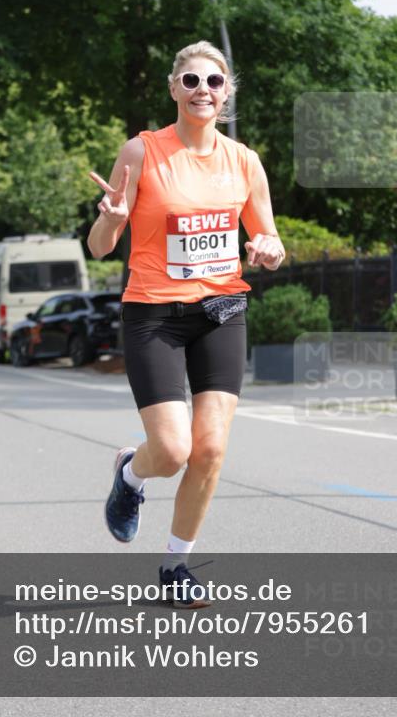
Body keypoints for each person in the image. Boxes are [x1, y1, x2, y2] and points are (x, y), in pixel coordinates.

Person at [88, 40, 285, 608]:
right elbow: (100, 248)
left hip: (221, 310)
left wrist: (268, 249)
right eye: (193, 81)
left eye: (215, 82)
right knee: (172, 452)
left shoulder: (244, 160)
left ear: (227, 95)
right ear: (174, 89)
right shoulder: (142, 152)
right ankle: (131, 474)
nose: (204, 90)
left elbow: (266, 236)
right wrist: (114, 220)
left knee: (211, 450)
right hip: (153, 312)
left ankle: (176, 564)